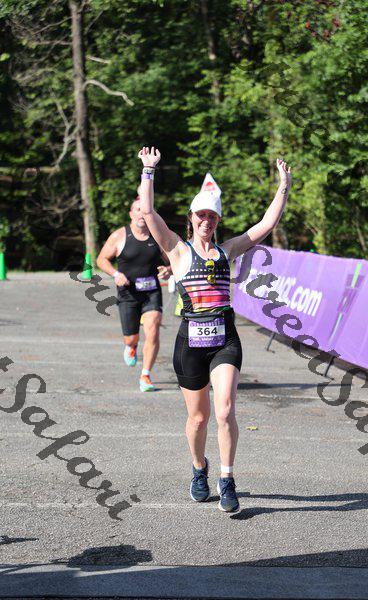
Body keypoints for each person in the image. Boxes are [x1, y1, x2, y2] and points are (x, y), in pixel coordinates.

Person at [137, 146, 292, 513]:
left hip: (225, 338)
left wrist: (284, 185)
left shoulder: (228, 250)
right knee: (198, 418)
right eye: (201, 215)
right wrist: (148, 171)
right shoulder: (177, 250)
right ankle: (199, 467)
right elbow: (148, 212)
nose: (206, 221)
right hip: (190, 340)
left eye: (212, 216)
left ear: (218, 220)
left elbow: (266, 225)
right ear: (191, 219)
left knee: (224, 411)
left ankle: (227, 479)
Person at [96, 191, 171, 392]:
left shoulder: (158, 237)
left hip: (151, 292)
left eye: (144, 211)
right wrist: (115, 274)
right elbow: (101, 259)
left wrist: (169, 270)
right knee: (131, 338)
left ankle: (145, 375)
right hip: (128, 293)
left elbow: (173, 260)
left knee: (153, 329)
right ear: (131, 214)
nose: (141, 214)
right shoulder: (119, 236)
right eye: (137, 210)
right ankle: (131, 346)